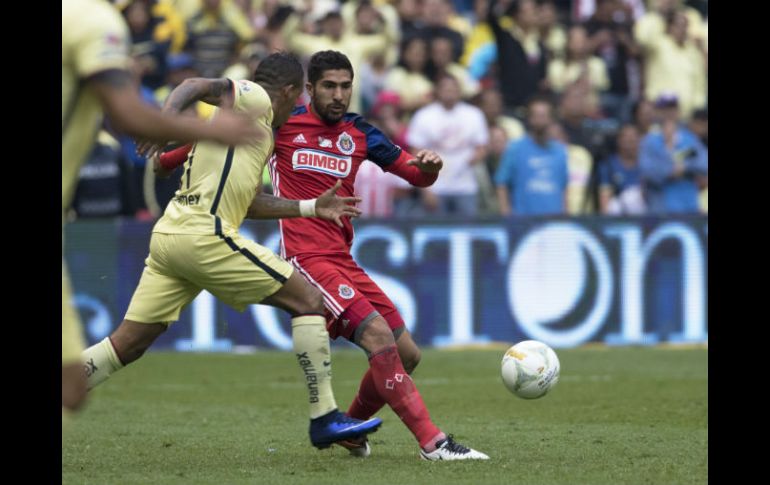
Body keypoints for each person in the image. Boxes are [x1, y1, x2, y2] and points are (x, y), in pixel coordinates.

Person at [79, 52, 383, 449]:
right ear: (289, 92)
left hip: (172, 234)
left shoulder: (255, 133)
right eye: (296, 102)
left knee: (127, 344)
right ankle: (325, 418)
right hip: (204, 234)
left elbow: (251, 202)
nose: (296, 110)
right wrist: (163, 124)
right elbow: (194, 86)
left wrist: (309, 207)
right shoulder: (256, 98)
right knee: (309, 300)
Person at [271, 51, 488, 460]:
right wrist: (169, 155)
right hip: (304, 258)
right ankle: (434, 443)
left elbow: (414, 174)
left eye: (345, 86)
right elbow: (222, 139)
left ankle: (351, 431)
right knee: (377, 336)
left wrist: (430, 167)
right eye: (330, 86)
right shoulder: (282, 124)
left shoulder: (359, 132)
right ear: (310, 89)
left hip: (342, 258)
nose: (339, 95)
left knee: (407, 354)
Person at [63, 0, 263, 423]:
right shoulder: (91, 19)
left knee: (71, 385)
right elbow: (126, 112)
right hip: (190, 230)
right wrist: (206, 128)